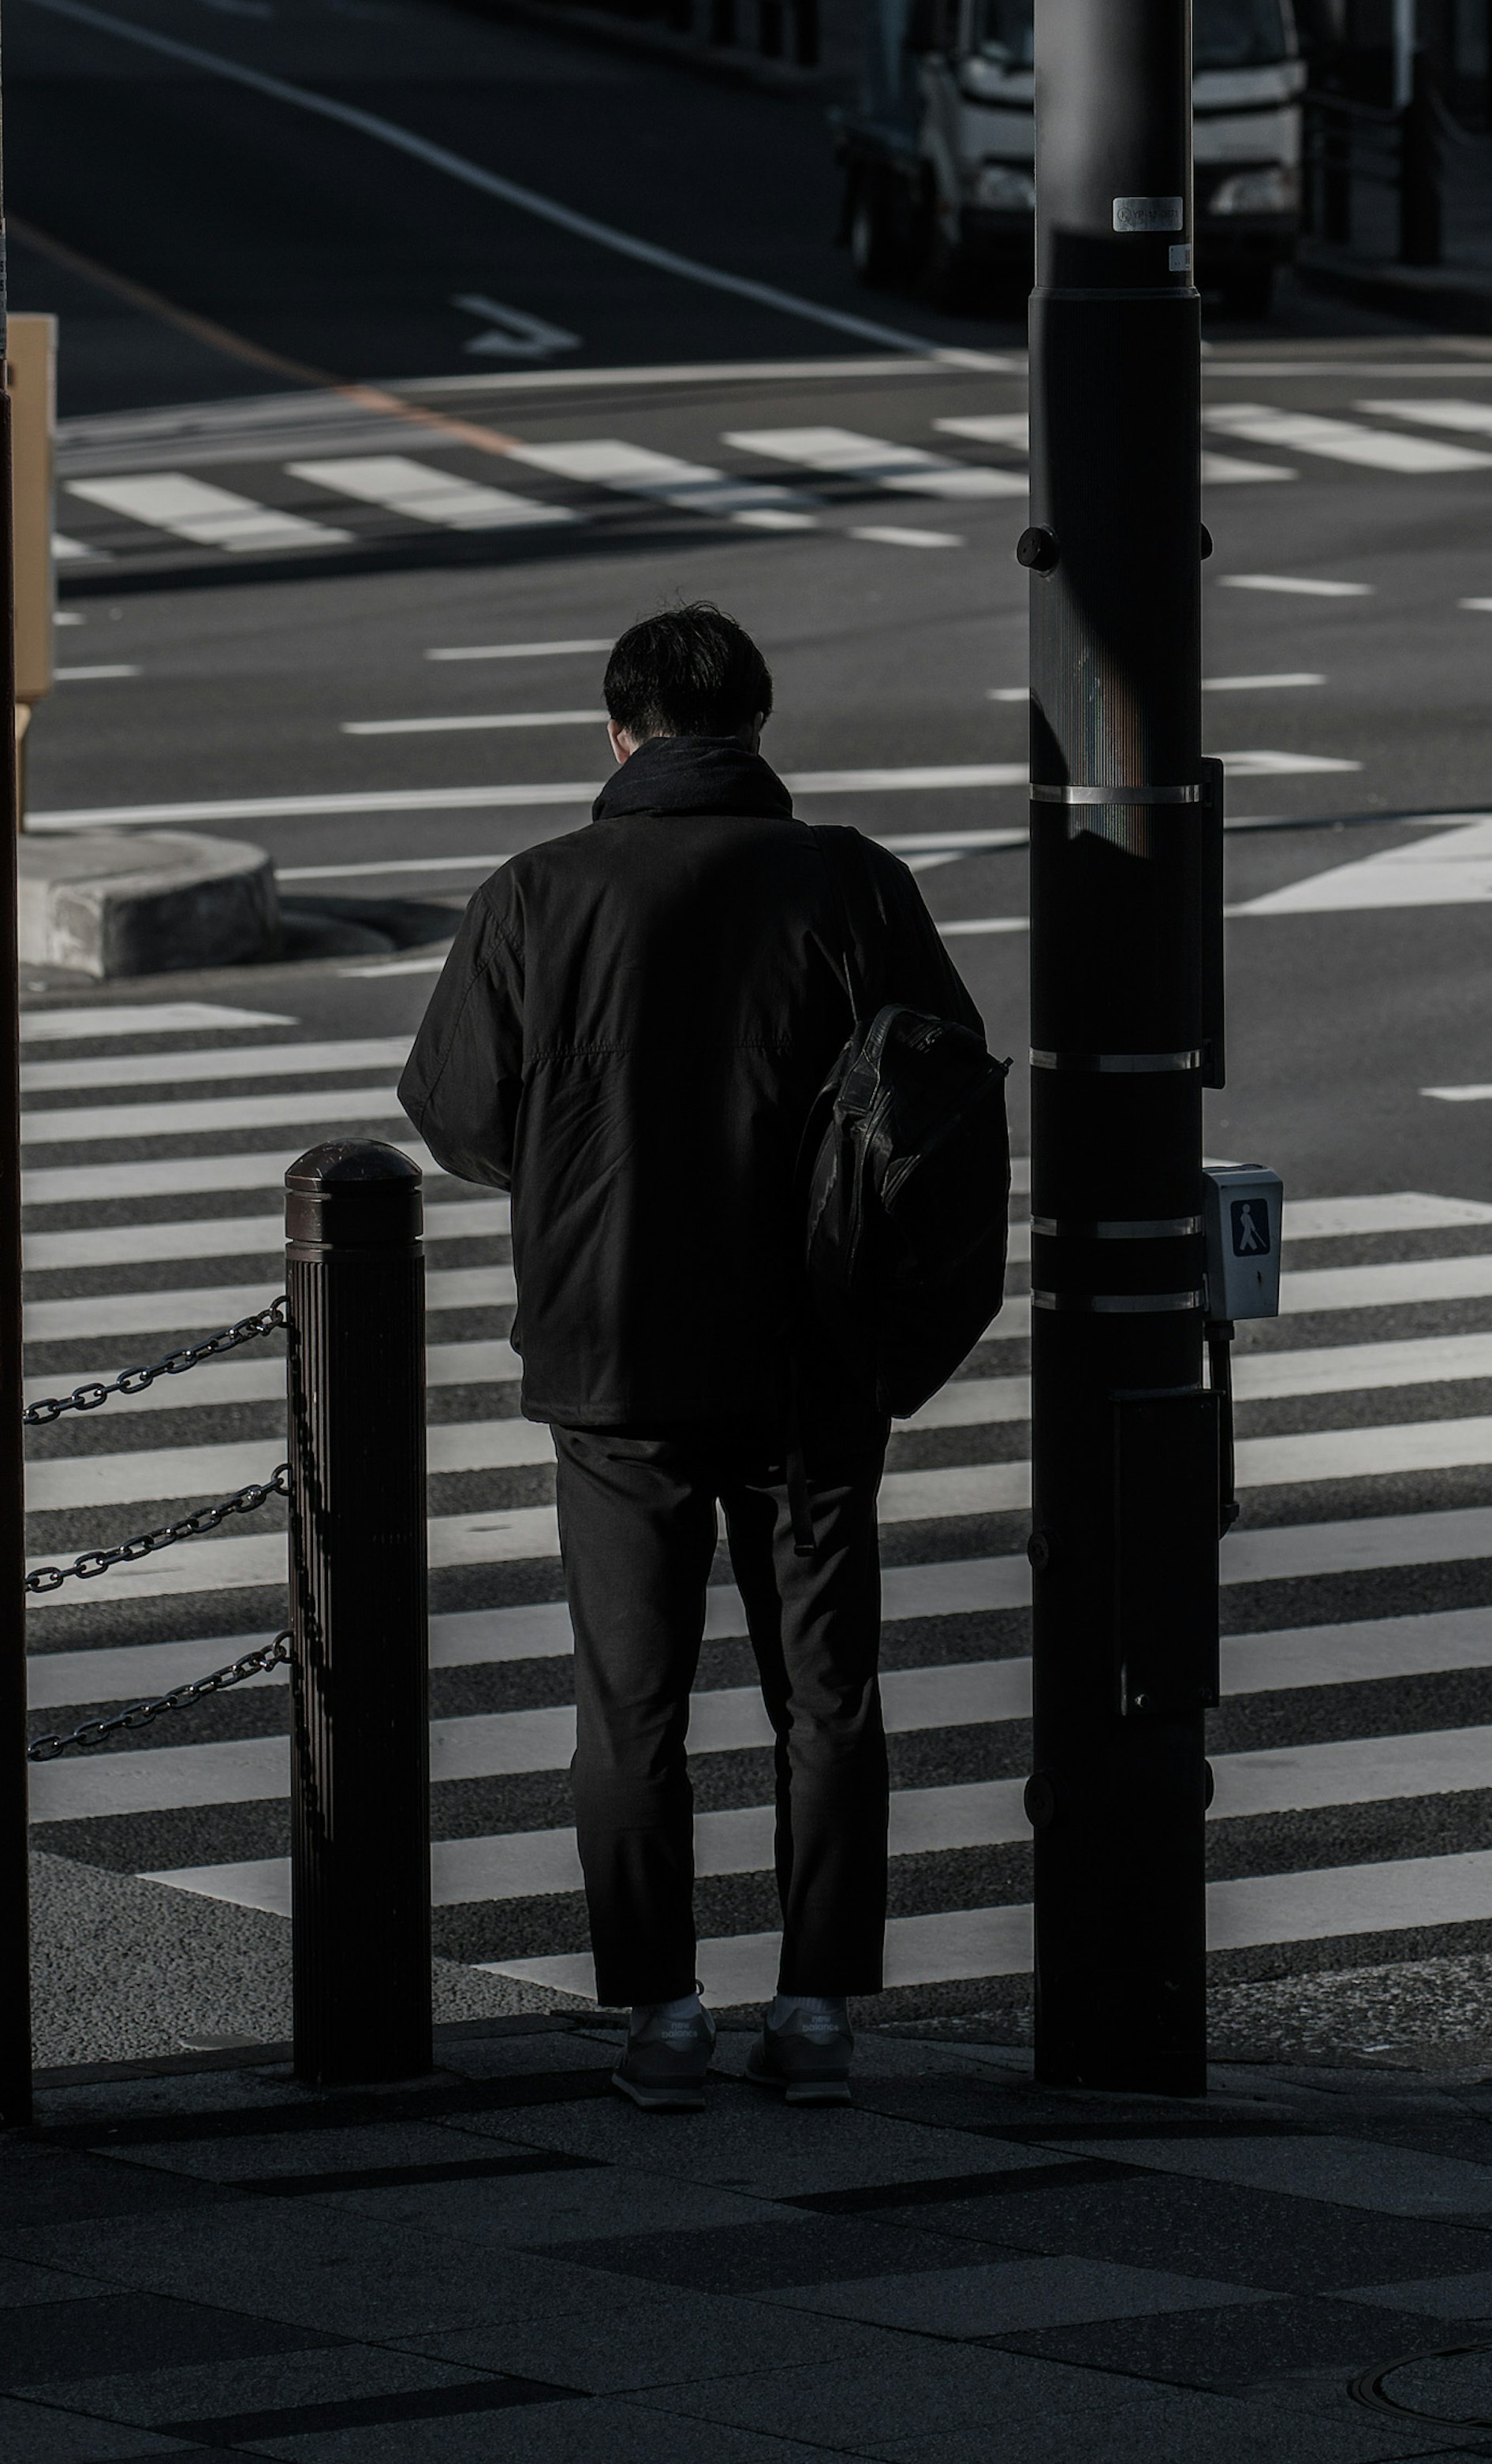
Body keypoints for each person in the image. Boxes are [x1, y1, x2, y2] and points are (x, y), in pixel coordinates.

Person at [398, 595, 987, 2111]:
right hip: (814, 1347)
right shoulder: (854, 885)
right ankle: (815, 2012)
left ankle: (662, 2013)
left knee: (631, 1700)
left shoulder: (536, 894)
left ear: (619, 731)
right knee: (828, 1690)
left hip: (614, 1358)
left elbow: (459, 1116)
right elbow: (943, 1107)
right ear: (756, 726)